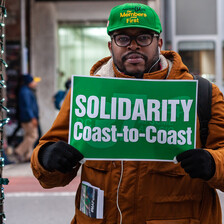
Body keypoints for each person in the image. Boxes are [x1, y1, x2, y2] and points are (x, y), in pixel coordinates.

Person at [31, 3, 224, 224]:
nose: (133, 46)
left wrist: (213, 164)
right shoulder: (86, 95)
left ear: (159, 43)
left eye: (143, 38)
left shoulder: (202, 94)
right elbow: (50, 174)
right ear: (110, 46)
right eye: (122, 38)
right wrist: (47, 157)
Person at [14, 74, 40, 162]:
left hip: (26, 117)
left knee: (28, 136)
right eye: (33, 81)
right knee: (33, 136)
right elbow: (27, 106)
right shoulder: (26, 92)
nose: (35, 83)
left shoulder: (25, 91)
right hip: (28, 118)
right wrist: (32, 117)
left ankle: (27, 156)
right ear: (29, 82)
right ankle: (19, 151)